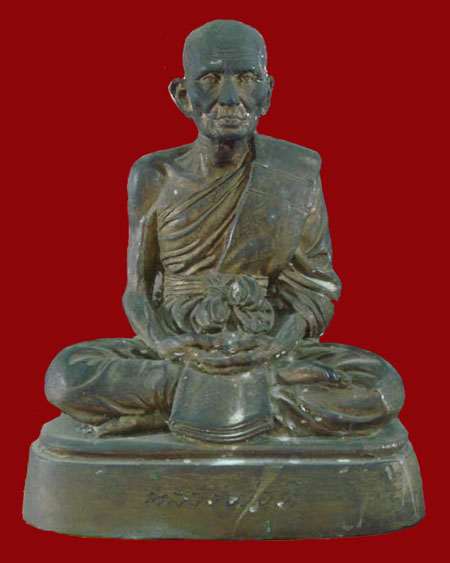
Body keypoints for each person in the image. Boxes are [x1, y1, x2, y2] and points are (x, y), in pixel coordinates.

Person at [45, 20, 404, 439]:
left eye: (247, 78)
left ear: (267, 92)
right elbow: (137, 290)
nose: (231, 98)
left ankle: (195, 400)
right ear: (183, 95)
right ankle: (248, 397)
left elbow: (314, 289)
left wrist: (277, 343)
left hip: (263, 345)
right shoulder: (154, 174)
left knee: (381, 387)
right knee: (67, 376)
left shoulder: (296, 171)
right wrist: (164, 343)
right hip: (179, 347)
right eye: (211, 79)